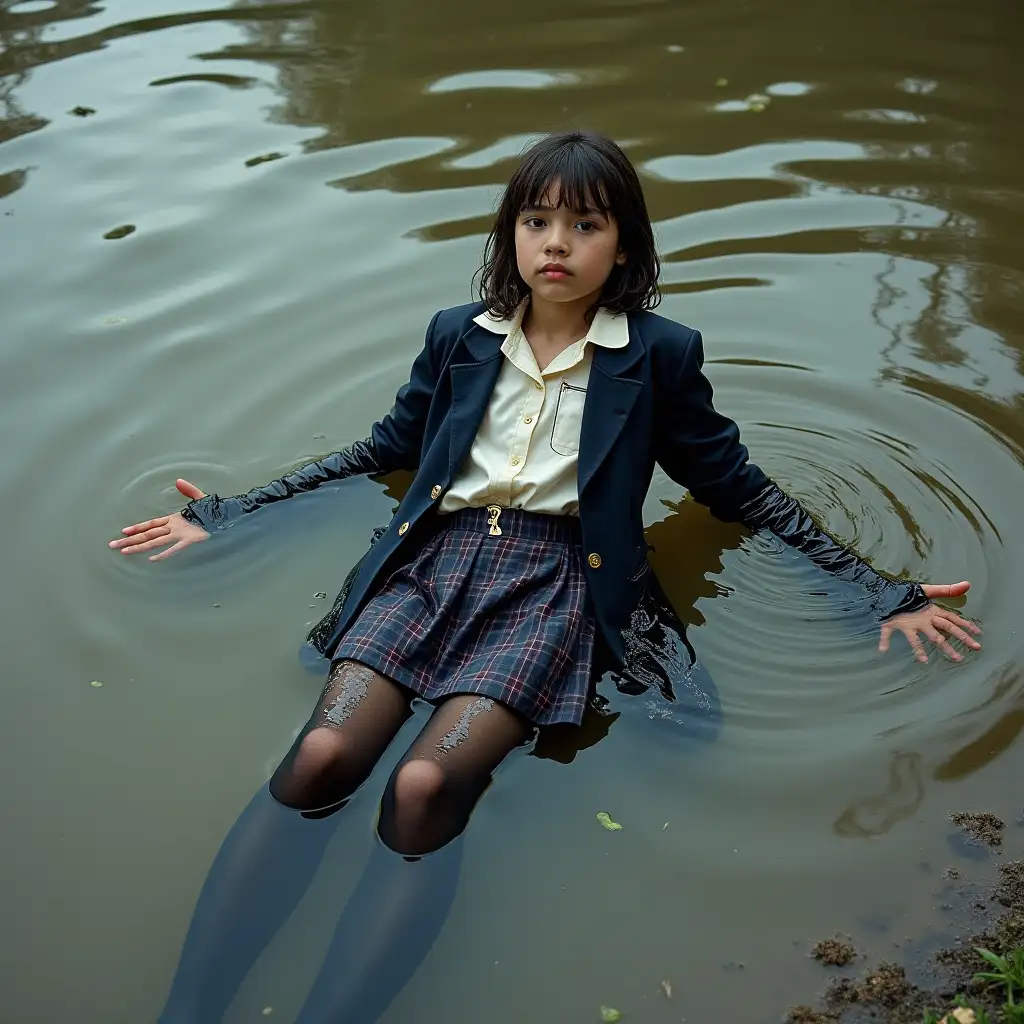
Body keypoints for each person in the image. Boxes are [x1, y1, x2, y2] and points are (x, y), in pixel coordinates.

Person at [109, 131, 981, 1023]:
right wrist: (230, 510)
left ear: (625, 247)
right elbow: (388, 448)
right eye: (536, 220)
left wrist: (879, 588)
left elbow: (736, 487)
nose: (556, 243)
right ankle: (189, 1012)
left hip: (558, 584)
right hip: (431, 564)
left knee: (423, 785)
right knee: (322, 755)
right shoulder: (459, 336)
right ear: (509, 236)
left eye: (584, 224)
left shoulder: (660, 356)